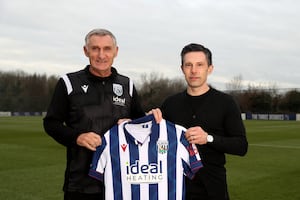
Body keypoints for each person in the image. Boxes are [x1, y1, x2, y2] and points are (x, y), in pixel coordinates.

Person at [43, 28, 161, 200]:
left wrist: (148, 118)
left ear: (116, 51)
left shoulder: (127, 84)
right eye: (95, 49)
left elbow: (138, 123)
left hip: (122, 180)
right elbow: (51, 123)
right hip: (81, 182)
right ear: (86, 51)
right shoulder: (68, 83)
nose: (101, 55)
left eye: (107, 49)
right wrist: (78, 137)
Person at [160, 43, 248, 200]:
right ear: (182, 69)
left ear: (210, 68)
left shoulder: (226, 102)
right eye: (188, 65)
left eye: (199, 65)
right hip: (177, 189)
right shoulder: (170, 104)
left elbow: (241, 146)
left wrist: (208, 138)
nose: (193, 70)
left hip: (213, 189)